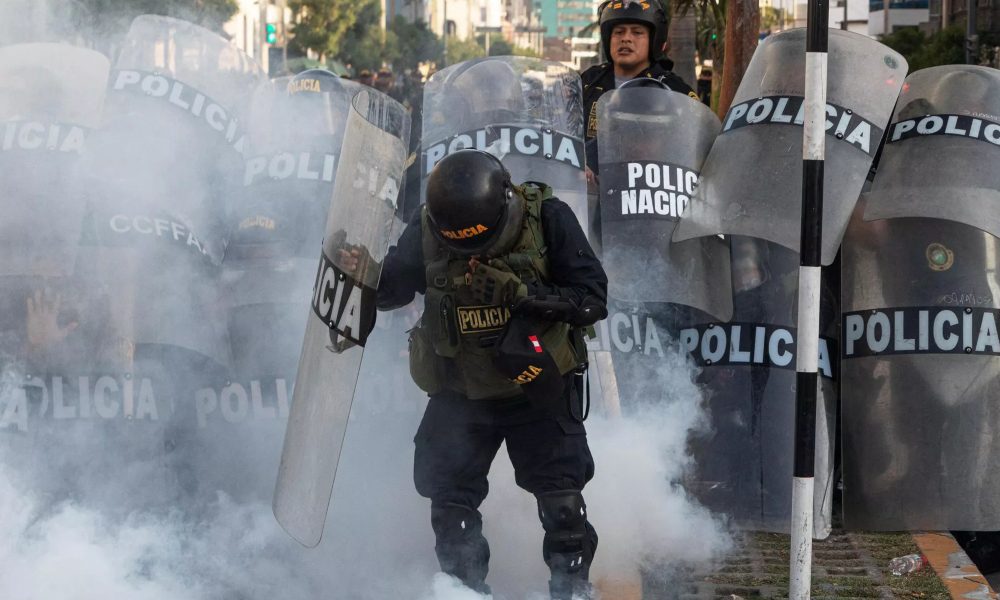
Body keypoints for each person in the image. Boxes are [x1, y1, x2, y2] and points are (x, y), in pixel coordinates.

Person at [346, 150, 608, 599]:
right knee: (450, 505)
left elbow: (591, 298)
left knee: (563, 507)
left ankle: (571, 593)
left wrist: (524, 297)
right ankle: (465, 593)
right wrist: (362, 273)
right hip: (460, 390)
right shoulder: (429, 227)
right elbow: (393, 287)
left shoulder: (547, 216)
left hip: (536, 385)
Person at [581, 0, 698, 182]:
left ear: (655, 39)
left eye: (637, 32)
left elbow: (694, 147)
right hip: (587, 197)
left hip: (647, 194)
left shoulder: (673, 90)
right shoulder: (588, 81)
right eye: (618, 32)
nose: (626, 38)